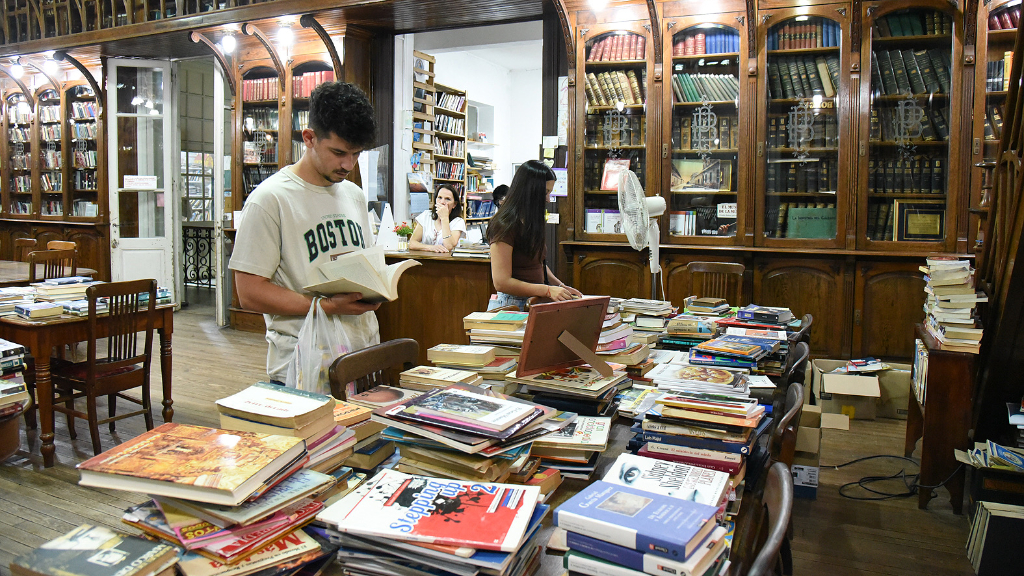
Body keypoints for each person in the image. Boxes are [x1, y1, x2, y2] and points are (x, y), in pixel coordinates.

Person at [228, 81, 380, 384]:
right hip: (301, 359)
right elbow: (249, 292)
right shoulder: (270, 199)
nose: (347, 164)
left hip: (360, 350)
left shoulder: (353, 195)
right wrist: (324, 306)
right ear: (309, 138)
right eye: (338, 152)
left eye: (356, 153)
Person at [486, 160, 582, 310]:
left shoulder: (531, 221)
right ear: (529, 191)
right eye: (545, 192)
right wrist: (548, 290)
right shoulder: (503, 224)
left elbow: (538, 264)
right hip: (512, 306)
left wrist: (561, 287)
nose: (548, 199)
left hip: (533, 301)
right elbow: (501, 282)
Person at [409, 185, 465, 253]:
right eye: (439, 197)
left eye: (447, 199)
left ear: (454, 204)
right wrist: (431, 248)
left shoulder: (458, 221)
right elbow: (412, 243)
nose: (442, 202)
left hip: (448, 261)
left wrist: (444, 218)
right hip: (427, 259)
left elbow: (449, 246)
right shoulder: (426, 216)